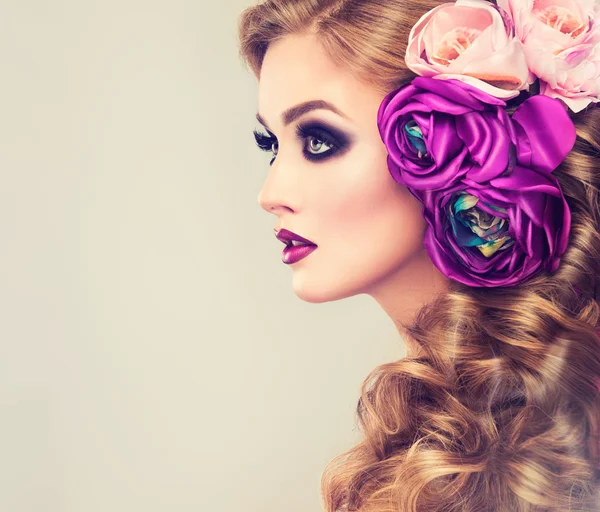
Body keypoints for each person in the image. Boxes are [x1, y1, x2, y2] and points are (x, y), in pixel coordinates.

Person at [238, 0, 600, 510]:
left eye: (319, 141)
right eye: (270, 143)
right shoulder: (437, 422)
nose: (270, 193)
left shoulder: (567, 433)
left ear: (464, 148)